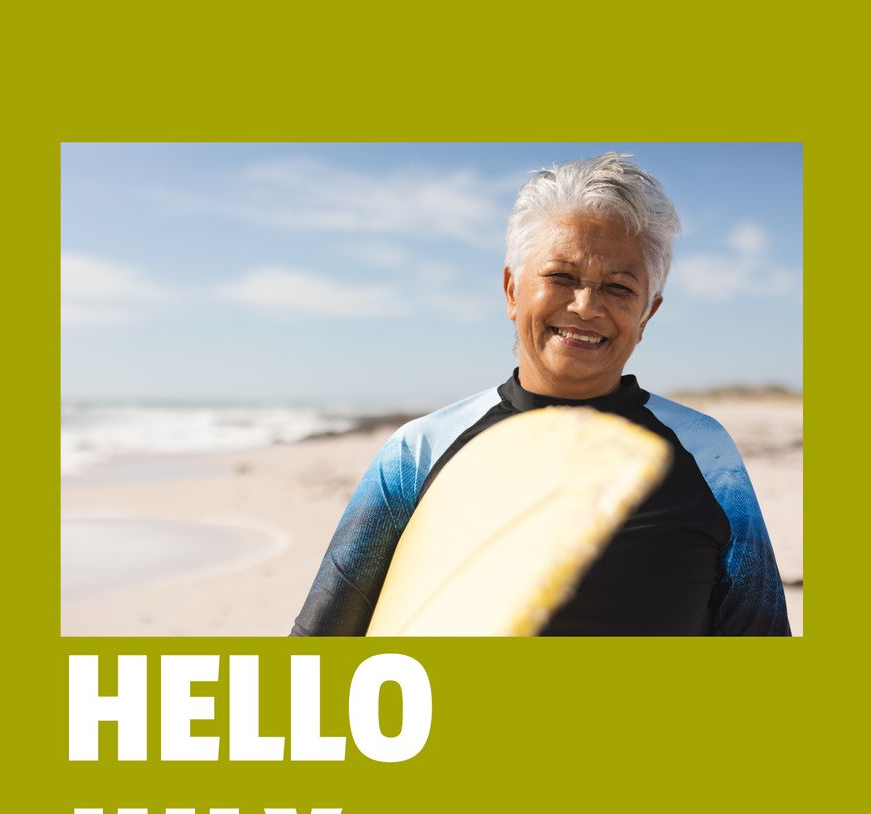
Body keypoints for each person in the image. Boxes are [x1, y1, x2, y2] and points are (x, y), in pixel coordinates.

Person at [292, 152, 790, 636]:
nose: (586, 305)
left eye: (619, 288)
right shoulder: (419, 452)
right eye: (561, 277)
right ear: (512, 290)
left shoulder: (706, 454)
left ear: (648, 313)